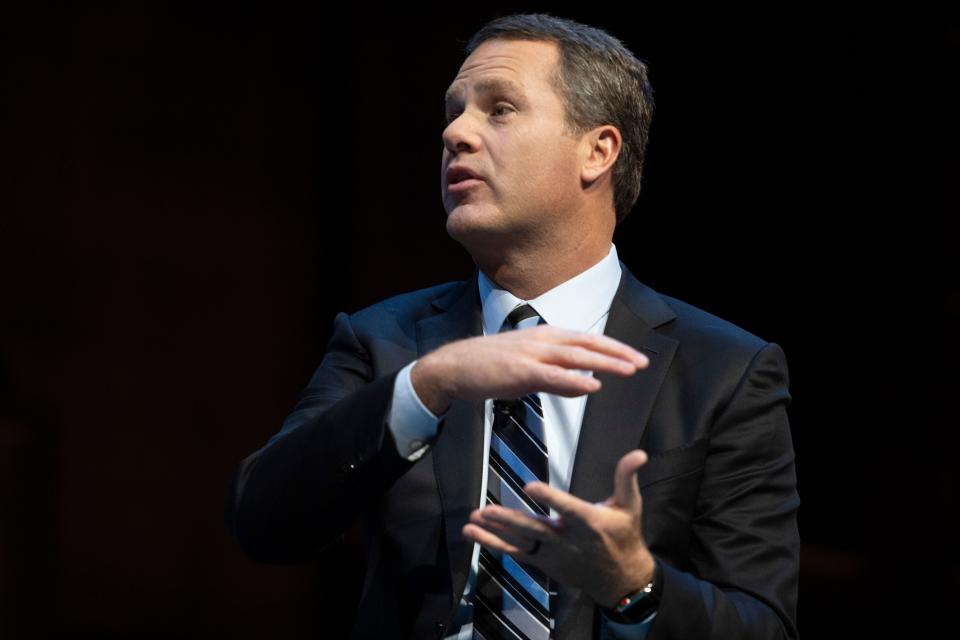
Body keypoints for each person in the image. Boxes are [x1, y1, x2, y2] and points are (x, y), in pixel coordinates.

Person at [224, 12, 800, 640]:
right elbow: (263, 522)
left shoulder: (723, 369)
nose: (456, 133)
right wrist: (429, 382)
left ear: (597, 151)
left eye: (498, 110)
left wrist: (635, 586)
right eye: (454, 111)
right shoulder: (385, 341)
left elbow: (762, 625)